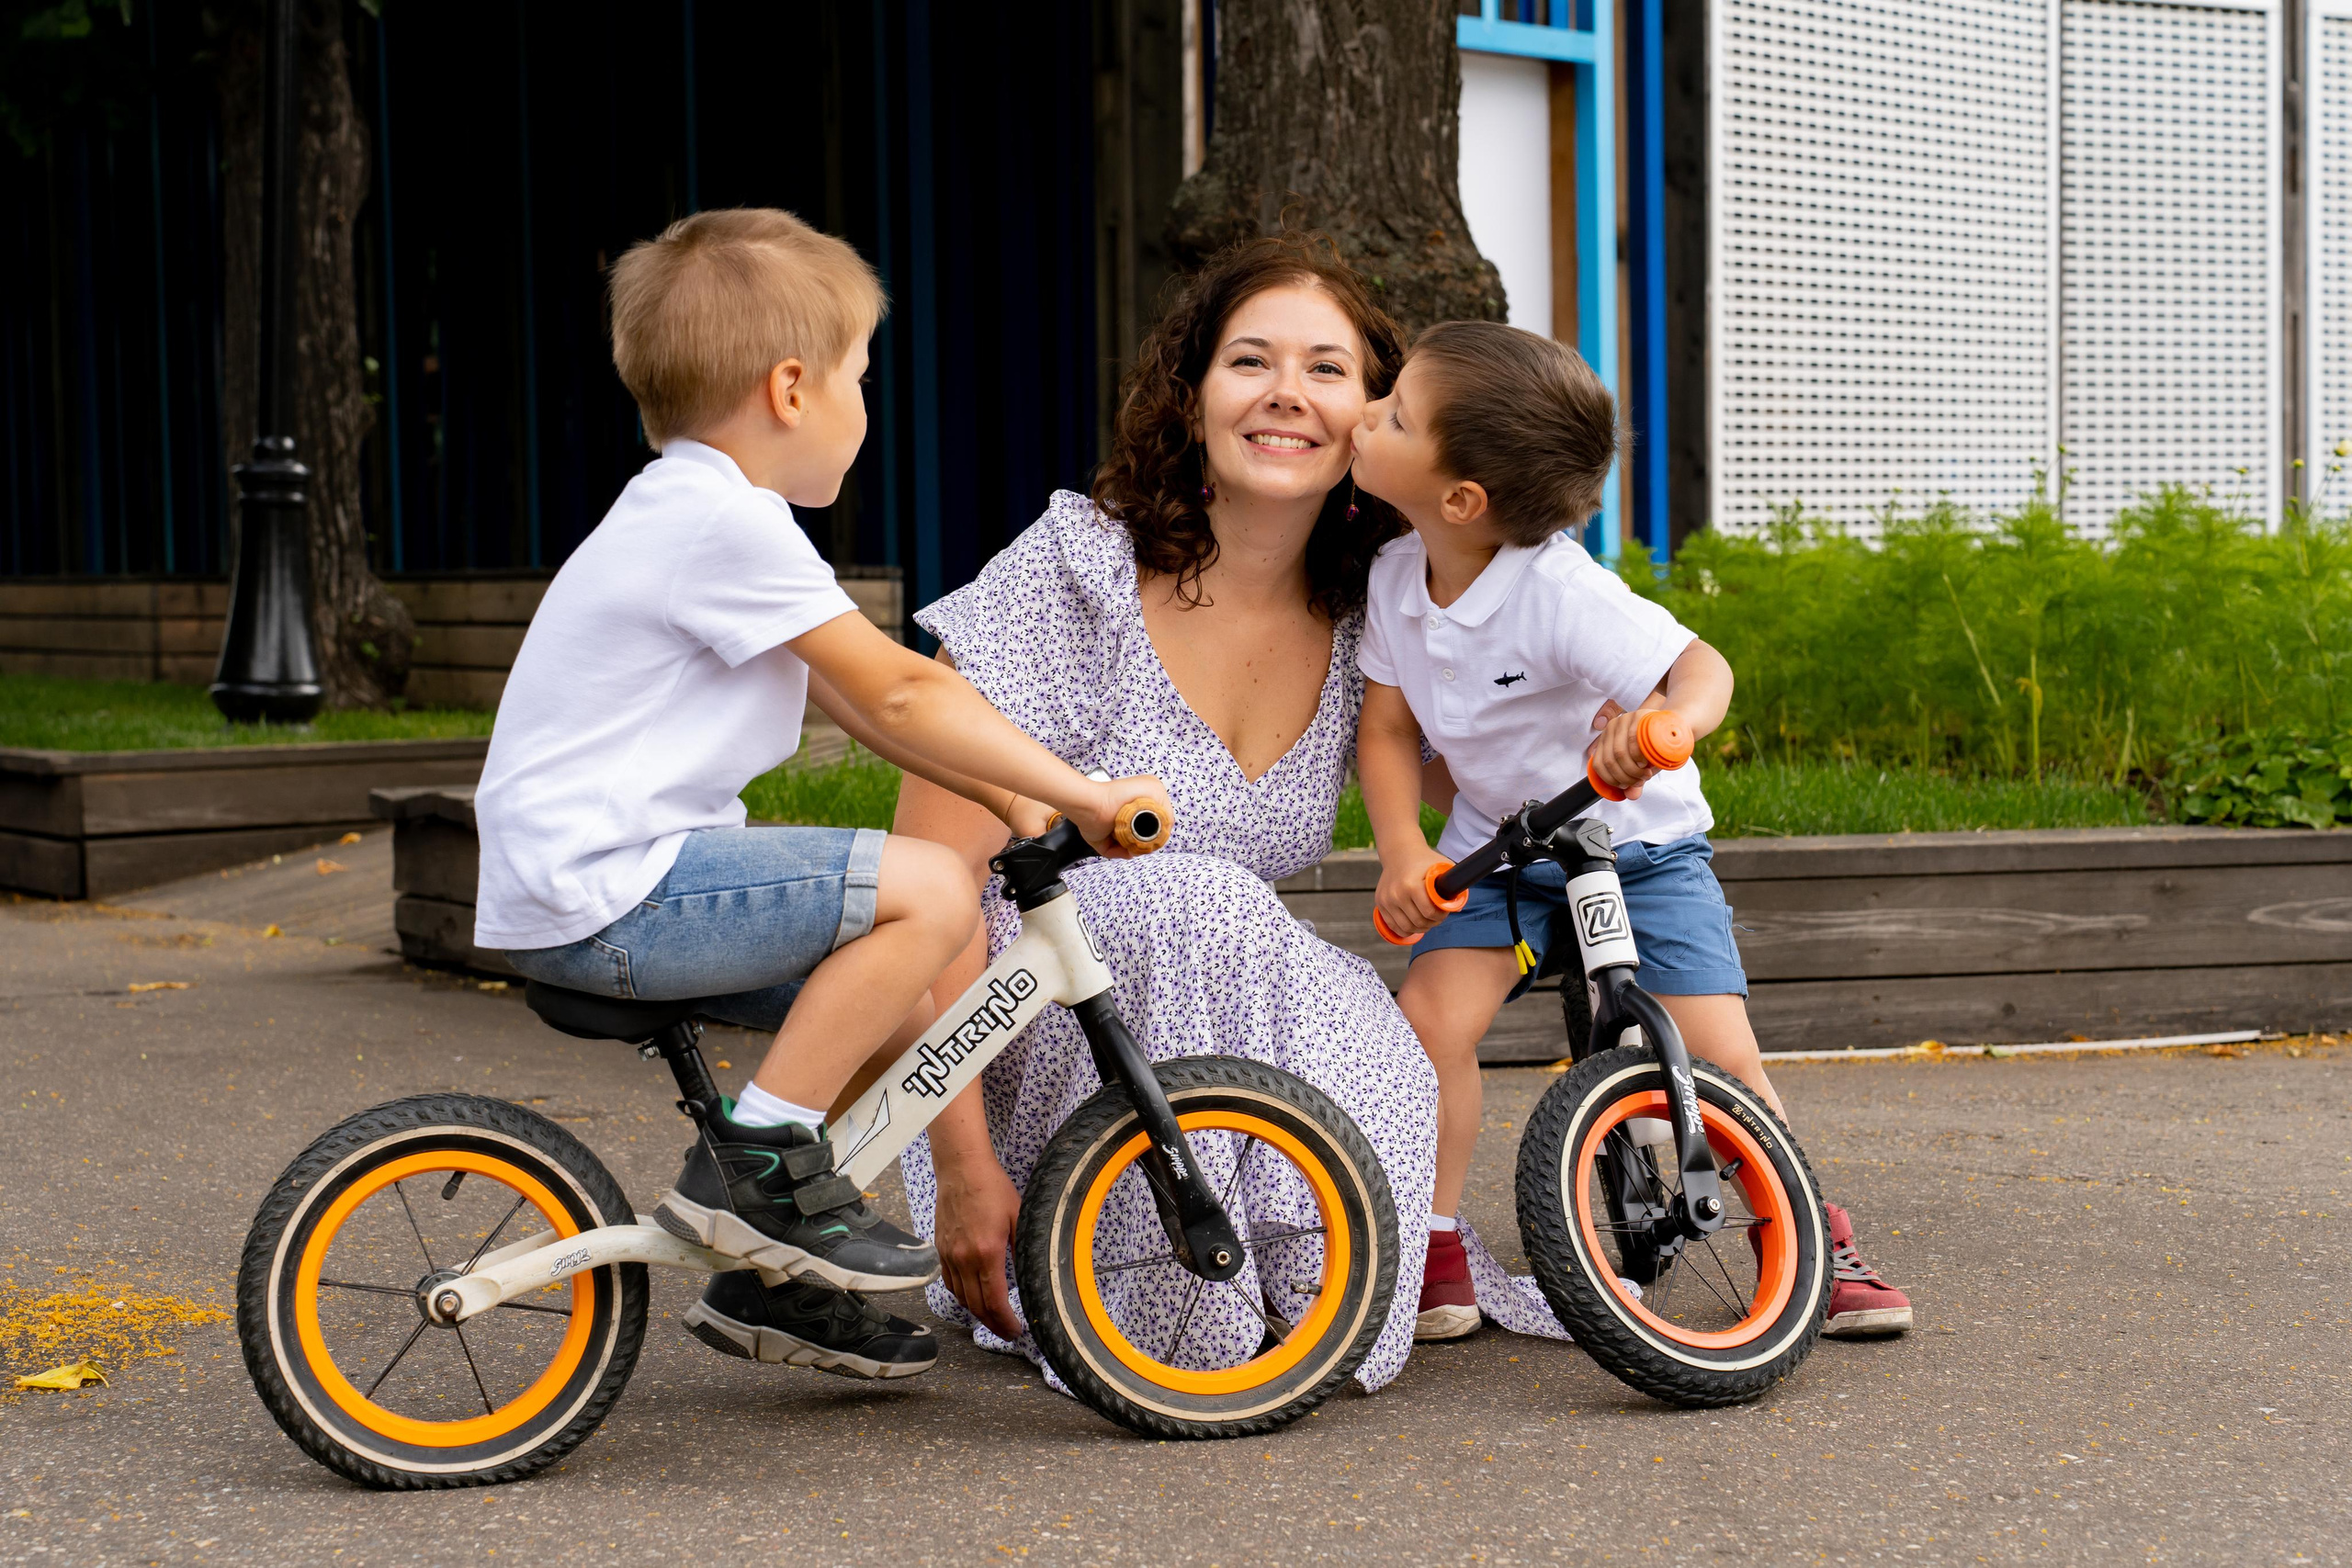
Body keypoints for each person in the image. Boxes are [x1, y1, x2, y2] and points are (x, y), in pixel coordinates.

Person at [473, 208, 1169, 1382]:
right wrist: (1080, 789)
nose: (864, 402)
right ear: (791, 388)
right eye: (859, 376)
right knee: (928, 895)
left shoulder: (695, 514)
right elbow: (897, 692)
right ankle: (759, 1169)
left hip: (596, 885)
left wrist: (1008, 799)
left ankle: (773, 1272)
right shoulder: (722, 523)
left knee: (895, 999)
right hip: (613, 891)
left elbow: (863, 713)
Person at [886, 233, 1464, 1393]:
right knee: (1189, 898)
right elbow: (921, 894)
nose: (1286, 395)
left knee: (1349, 1010)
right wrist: (957, 1168)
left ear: (1374, 416)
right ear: (1191, 394)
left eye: (1328, 370)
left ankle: (1300, 1286)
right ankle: (1145, 1292)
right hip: (1030, 1020)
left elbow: (1483, 800)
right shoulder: (1078, 572)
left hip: (1248, 1030)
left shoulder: (1377, 617)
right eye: (1249, 361)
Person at [1349, 320, 1913, 1341]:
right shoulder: (1396, 581)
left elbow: (1702, 669)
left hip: (1637, 847)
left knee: (1718, 1058)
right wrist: (1402, 849)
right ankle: (1431, 1248)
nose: (1365, 412)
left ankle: (1808, 1243)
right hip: (1506, 849)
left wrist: (1667, 726)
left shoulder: (1559, 592)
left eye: (1392, 412)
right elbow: (1384, 730)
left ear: (1461, 499)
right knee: (1428, 1027)